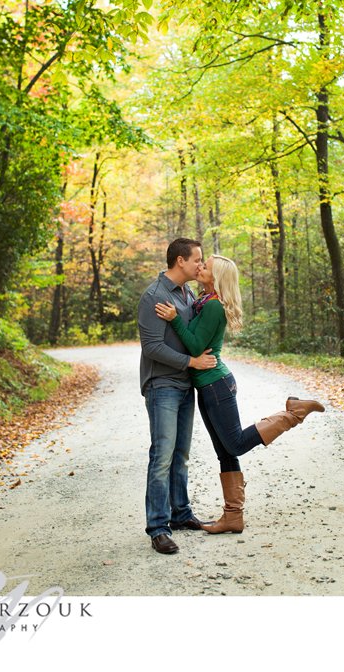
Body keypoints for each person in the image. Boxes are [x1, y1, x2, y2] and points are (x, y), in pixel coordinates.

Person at [155, 254, 324, 534]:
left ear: (216, 276)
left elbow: (196, 346)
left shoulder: (213, 307)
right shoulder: (203, 300)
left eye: (205, 266)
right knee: (225, 452)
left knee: (233, 445)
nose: (200, 267)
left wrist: (174, 320)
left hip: (215, 385)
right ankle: (233, 516)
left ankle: (292, 413)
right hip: (208, 385)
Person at [138, 238, 218, 555]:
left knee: (181, 455)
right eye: (197, 260)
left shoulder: (187, 293)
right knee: (162, 456)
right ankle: (158, 527)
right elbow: (152, 348)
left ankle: (181, 513)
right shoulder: (153, 296)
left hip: (186, 386)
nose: (200, 265)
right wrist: (191, 362)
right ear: (180, 261)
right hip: (162, 386)